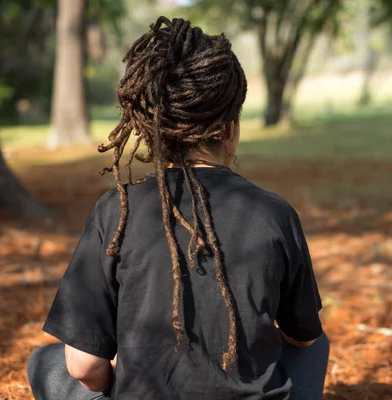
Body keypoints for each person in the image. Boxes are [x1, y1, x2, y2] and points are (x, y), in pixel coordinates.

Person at [27, 16, 329, 400]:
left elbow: (85, 367)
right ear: (230, 127)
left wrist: (121, 373)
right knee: (318, 343)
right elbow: (303, 336)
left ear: (151, 126)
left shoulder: (115, 212)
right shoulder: (275, 213)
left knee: (43, 362)